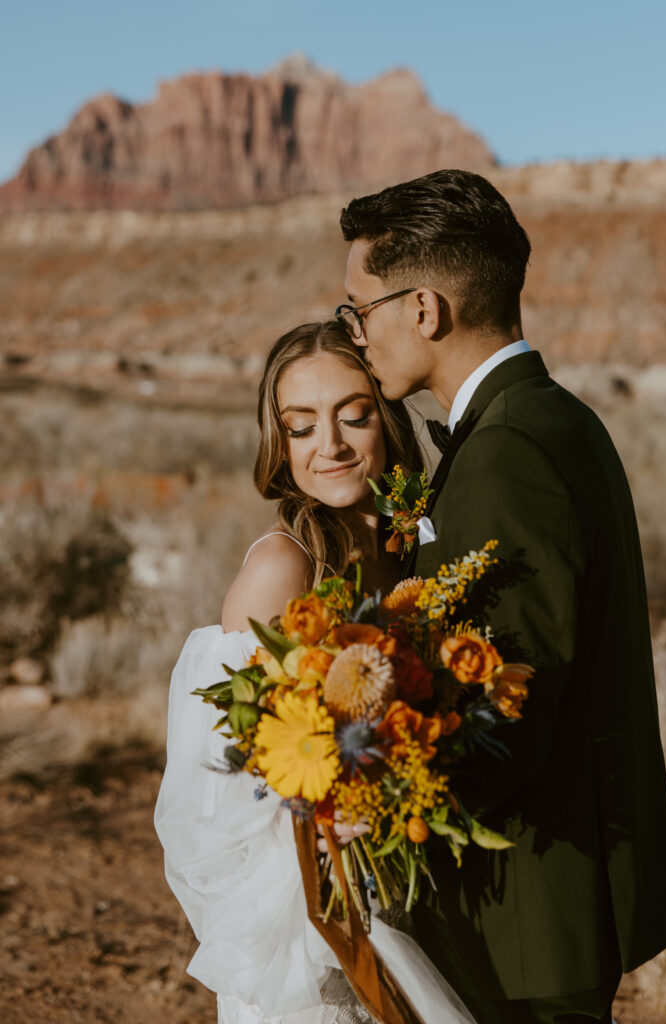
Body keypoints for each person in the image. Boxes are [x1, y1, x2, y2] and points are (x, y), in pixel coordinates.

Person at [335, 169, 666, 1024]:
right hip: (546, 900)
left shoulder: (506, 450)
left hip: (529, 907)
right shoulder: (550, 418)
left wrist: (381, 795)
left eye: (361, 311)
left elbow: (514, 693)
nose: (357, 336)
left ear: (423, 309)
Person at [154, 320, 479, 1024]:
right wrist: (335, 806)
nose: (328, 447)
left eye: (353, 417)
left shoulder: (414, 558)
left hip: (420, 889)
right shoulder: (281, 568)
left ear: (386, 421)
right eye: (300, 427)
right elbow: (215, 786)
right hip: (313, 930)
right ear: (280, 443)